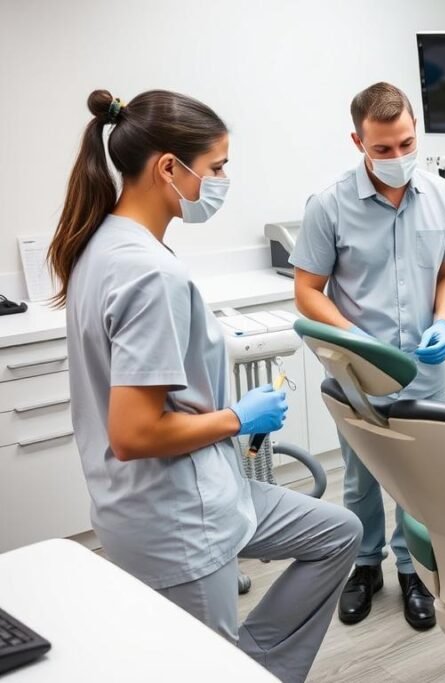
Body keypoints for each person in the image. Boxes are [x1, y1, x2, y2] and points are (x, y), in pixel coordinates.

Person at [50, 89, 362, 683]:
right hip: (176, 518)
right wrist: (238, 419)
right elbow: (134, 432)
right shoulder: (148, 272)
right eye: (216, 167)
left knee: (338, 532)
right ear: (169, 167)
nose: (221, 180)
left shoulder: (104, 245)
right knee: (206, 671)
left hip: (186, 496)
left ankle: (254, 666)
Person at [291, 82, 445, 631]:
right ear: (358, 142)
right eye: (383, 149)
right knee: (363, 473)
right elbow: (307, 290)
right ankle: (365, 564)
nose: (398, 159)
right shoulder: (329, 206)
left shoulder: (441, 196)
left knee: (419, 476)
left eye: (406, 144)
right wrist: (355, 338)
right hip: (358, 370)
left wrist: (444, 320)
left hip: (424, 367)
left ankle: (413, 569)